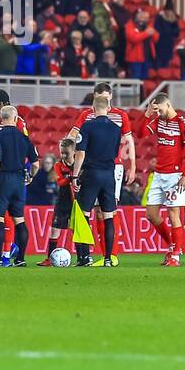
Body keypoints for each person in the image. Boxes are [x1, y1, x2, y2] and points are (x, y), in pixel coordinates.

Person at [141, 92, 185, 266]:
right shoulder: (159, 120)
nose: (158, 112)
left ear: (168, 104)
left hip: (175, 175)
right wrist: (147, 114)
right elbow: (140, 133)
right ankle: (172, 245)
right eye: (155, 110)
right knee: (151, 214)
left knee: (174, 214)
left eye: (159, 109)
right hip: (159, 174)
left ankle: (176, 255)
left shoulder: (182, 122)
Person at [71, 92, 124, 266]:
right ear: (108, 109)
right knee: (108, 215)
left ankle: (85, 257)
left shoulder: (87, 126)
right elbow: (116, 152)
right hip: (109, 174)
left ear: (93, 109)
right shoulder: (117, 128)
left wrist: (75, 175)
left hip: (91, 173)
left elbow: (80, 153)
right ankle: (109, 258)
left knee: (84, 214)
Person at [0, 105, 38, 267]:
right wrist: (30, 177)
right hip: (19, 180)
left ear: (1, 119)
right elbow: (35, 164)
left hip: (2, 180)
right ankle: (21, 258)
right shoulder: (24, 138)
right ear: (15, 119)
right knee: (19, 219)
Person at [40, 138, 78, 266]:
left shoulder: (80, 164)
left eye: (66, 153)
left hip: (78, 203)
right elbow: (60, 182)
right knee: (55, 230)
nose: (63, 155)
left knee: (78, 231)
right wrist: (71, 178)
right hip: (63, 201)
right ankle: (49, 259)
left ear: (74, 152)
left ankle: (83, 258)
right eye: (62, 152)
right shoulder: (58, 165)